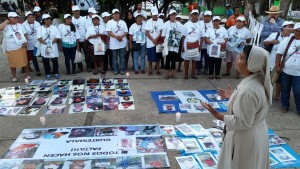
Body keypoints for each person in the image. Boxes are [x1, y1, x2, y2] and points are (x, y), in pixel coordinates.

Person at [201, 45, 272, 169]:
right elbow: (252, 105)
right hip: (256, 133)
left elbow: (243, 122)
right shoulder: (257, 79)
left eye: (241, 58)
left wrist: (218, 116)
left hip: (245, 139)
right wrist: (233, 97)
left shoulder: (248, 90)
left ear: (252, 63)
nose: (237, 60)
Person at [264, 21, 294, 101]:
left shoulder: (293, 37)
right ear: (283, 28)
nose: (291, 29)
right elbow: (265, 43)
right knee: (269, 79)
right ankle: (266, 94)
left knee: (279, 81)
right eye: (289, 27)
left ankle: (277, 95)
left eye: (292, 27)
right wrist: (271, 41)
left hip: (284, 63)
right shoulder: (275, 35)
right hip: (271, 62)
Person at [276, 23, 300, 114]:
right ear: (294, 31)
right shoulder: (287, 41)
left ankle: (299, 109)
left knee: (298, 91)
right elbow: (279, 53)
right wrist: (278, 65)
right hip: (286, 71)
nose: (299, 32)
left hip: (298, 73)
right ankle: (285, 105)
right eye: (297, 30)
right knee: (285, 89)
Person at [0, 12, 30, 82]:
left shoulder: (20, 25)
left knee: (25, 61)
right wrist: (6, 21)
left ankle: (27, 74)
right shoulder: (6, 26)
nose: (16, 18)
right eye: (14, 17)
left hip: (21, 46)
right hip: (10, 48)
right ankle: (14, 76)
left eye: (17, 17)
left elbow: (25, 34)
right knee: (12, 63)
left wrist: (25, 42)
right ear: (9, 18)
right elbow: (0, 28)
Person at [37, 14, 61, 80]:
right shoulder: (40, 28)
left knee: (55, 60)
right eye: (47, 19)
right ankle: (47, 73)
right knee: (46, 61)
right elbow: (39, 37)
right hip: (44, 46)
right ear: (44, 20)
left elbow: (58, 36)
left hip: (53, 46)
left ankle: (56, 72)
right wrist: (45, 43)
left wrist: (52, 42)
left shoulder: (54, 27)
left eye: (50, 19)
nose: (49, 20)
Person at [162, 9, 184, 79]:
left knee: (174, 60)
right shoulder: (166, 24)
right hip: (168, 45)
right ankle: (168, 74)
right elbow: (163, 35)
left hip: (175, 45)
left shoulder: (179, 24)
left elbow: (181, 34)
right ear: (169, 16)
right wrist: (165, 43)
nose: (173, 16)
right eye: (172, 15)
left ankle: (173, 74)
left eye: (174, 15)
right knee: (168, 59)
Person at [106, 9, 128, 75]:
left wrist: (121, 36)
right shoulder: (109, 22)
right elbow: (108, 32)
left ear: (119, 14)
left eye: (117, 14)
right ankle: (115, 69)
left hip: (122, 43)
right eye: (115, 14)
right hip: (113, 44)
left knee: (122, 57)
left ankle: (122, 69)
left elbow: (126, 31)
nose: (116, 15)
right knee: (114, 57)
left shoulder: (123, 22)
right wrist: (116, 37)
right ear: (112, 15)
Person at [181, 9, 201, 80]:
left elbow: (202, 37)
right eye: (193, 14)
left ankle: (193, 73)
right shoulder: (186, 24)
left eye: (196, 14)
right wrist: (182, 46)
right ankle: (186, 74)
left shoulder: (200, 24)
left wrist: (200, 46)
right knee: (186, 60)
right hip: (187, 45)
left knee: (194, 60)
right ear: (191, 15)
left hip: (196, 46)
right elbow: (183, 36)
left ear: (198, 15)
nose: (195, 16)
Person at [145, 7, 164, 76]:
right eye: (154, 15)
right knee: (150, 57)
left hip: (158, 42)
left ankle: (158, 69)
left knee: (158, 57)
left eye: (156, 15)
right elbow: (147, 32)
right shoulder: (148, 21)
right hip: (150, 42)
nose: (155, 16)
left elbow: (162, 31)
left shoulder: (161, 21)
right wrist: (153, 39)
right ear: (151, 14)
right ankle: (150, 70)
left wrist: (156, 39)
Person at [22, 11, 42, 76]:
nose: (31, 18)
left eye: (32, 17)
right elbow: (24, 34)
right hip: (30, 44)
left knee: (43, 56)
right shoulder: (23, 25)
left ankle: (48, 69)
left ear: (34, 18)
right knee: (34, 58)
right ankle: (37, 70)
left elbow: (40, 32)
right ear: (27, 18)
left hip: (38, 43)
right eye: (29, 17)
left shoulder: (37, 23)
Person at [72, 5, 87, 73]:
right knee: (77, 53)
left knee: (86, 53)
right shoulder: (71, 19)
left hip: (83, 39)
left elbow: (87, 29)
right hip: (75, 41)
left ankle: (88, 66)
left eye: (78, 11)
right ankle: (80, 67)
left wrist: (86, 38)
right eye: (75, 11)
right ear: (73, 12)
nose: (77, 12)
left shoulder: (84, 19)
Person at [197, 10, 213, 75]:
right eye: (205, 16)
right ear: (203, 16)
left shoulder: (213, 23)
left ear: (211, 17)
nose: (207, 17)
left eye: (208, 16)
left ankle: (206, 68)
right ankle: (198, 68)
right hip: (200, 43)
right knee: (199, 57)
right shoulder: (199, 23)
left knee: (207, 57)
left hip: (208, 44)